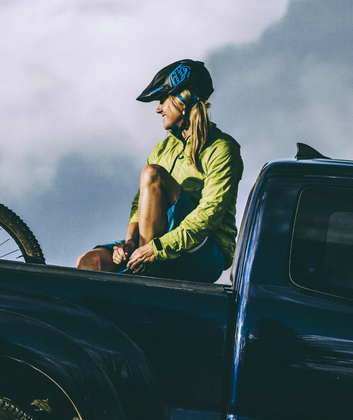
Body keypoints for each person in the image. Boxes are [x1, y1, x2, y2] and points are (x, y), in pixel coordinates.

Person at [76, 59, 243, 283]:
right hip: (156, 244)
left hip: (204, 253)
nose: (158, 108)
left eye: (162, 100)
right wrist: (130, 242)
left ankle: (144, 278)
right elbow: (140, 204)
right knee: (88, 262)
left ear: (182, 100)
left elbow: (208, 215)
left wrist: (155, 249)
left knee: (151, 173)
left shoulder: (223, 148)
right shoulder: (163, 148)